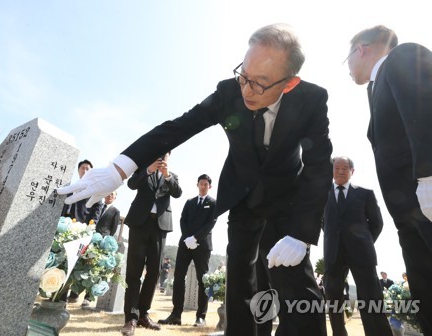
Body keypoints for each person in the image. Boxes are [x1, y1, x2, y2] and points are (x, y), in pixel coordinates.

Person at [58, 23, 333, 336]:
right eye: (243, 75)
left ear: (289, 84)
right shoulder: (228, 92)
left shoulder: (310, 100)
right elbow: (177, 127)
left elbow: (318, 168)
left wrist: (301, 233)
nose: (246, 90)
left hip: (288, 204)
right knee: (242, 291)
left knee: (297, 291)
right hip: (244, 201)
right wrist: (118, 169)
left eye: (260, 84)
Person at [346, 25, 432, 334]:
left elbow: (426, 109)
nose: (349, 67)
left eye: (348, 57)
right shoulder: (376, 87)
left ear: (361, 49)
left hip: (425, 196)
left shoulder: (402, 58)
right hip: (409, 217)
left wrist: (428, 176)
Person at [322, 156, 392, 336]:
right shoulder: (322, 195)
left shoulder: (365, 193)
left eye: (345, 168)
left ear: (352, 171)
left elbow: (377, 223)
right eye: (336, 167)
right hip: (332, 254)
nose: (340, 171)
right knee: (333, 298)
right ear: (331, 171)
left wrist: (363, 242)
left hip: (362, 254)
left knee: (371, 297)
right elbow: (321, 223)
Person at [120, 152, 182, 335]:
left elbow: (177, 193)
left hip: (159, 227)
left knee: (154, 271)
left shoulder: (171, 176)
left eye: (165, 155)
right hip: (140, 223)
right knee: (134, 271)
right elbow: (131, 185)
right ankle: (130, 318)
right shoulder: (142, 170)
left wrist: (167, 175)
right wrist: (148, 170)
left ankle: (143, 314)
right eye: (159, 155)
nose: (162, 158)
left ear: (170, 157)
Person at [158, 174, 217, 327]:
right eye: (201, 183)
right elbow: (182, 220)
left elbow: (211, 223)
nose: (203, 186)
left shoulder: (213, 203)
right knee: (178, 278)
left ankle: (201, 317)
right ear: (197, 185)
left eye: (206, 184)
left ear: (210, 186)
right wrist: (187, 238)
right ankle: (176, 315)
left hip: (202, 246)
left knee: (202, 280)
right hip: (185, 244)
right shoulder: (189, 202)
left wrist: (196, 239)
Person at [60, 159, 102, 303]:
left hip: (81, 231)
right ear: (78, 171)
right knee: (60, 262)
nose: (85, 171)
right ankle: (58, 296)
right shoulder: (70, 187)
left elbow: (96, 213)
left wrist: (89, 227)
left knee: (72, 265)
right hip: (64, 229)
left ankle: (68, 296)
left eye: (88, 169)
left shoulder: (96, 190)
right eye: (82, 168)